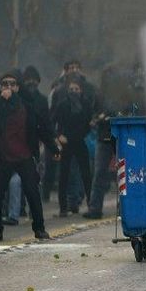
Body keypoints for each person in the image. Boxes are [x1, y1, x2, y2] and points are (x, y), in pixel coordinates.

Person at [0, 70, 60, 241]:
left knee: (32, 192)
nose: (8, 87)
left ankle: (39, 228)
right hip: (3, 157)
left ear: (18, 87)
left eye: (12, 84)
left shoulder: (27, 107)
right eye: (5, 84)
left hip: (24, 156)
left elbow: (41, 129)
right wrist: (1, 101)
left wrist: (54, 148)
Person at [52, 75, 93, 217]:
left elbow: (87, 125)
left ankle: (91, 205)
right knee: (63, 175)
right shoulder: (62, 104)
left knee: (86, 174)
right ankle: (63, 208)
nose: (73, 91)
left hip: (79, 141)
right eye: (71, 89)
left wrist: (74, 136)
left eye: (76, 89)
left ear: (81, 90)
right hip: (66, 143)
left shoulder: (86, 104)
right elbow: (53, 121)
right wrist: (58, 135)